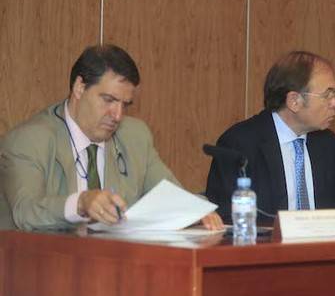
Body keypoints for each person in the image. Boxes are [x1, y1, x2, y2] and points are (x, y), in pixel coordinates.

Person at [0, 45, 223, 231]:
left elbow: (173, 194)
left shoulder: (134, 136)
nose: (117, 116)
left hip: (116, 268)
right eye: (108, 100)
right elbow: (25, 211)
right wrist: (81, 203)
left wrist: (197, 210)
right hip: (42, 271)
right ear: (79, 87)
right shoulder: (29, 140)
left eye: (124, 104)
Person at [205, 51, 335, 222]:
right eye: (327, 95)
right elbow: (227, 218)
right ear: (294, 101)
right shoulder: (239, 144)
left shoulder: (327, 143)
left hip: (322, 247)